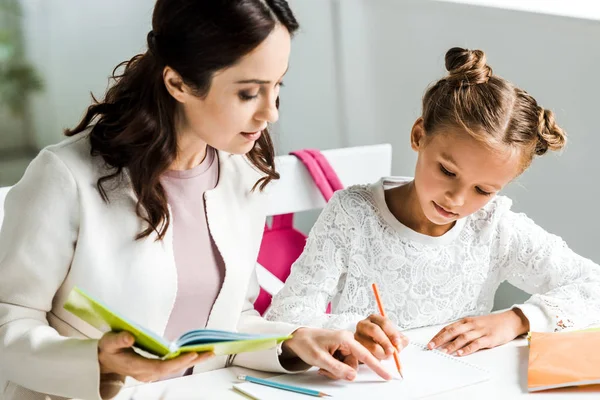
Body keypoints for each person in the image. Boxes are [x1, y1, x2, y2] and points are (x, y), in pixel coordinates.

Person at [0, 1, 391, 399]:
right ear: (179, 83)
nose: (271, 113)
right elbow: (8, 321)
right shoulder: (65, 177)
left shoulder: (243, 173)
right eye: (249, 93)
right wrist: (97, 362)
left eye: (278, 87)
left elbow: (227, 320)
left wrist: (296, 342)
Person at [265, 47, 600, 362]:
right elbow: (285, 316)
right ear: (418, 136)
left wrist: (518, 319)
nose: (456, 199)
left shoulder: (495, 226)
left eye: (483, 190)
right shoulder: (353, 213)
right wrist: (346, 331)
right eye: (446, 171)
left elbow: (592, 285)